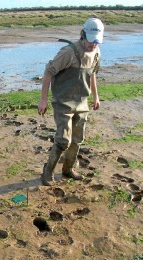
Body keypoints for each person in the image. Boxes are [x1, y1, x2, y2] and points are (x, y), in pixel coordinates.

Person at [38, 17, 104, 186]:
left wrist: (96, 97)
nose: (93, 45)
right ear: (82, 35)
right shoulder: (68, 52)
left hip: (82, 102)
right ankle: (47, 172)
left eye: (96, 42)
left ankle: (67, 170)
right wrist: (43, 100)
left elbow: (92, 74)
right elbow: (48, 72)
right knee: (63, 140)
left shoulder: (96, 52)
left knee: (77, 139)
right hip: (63, 103)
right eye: (90, 42)